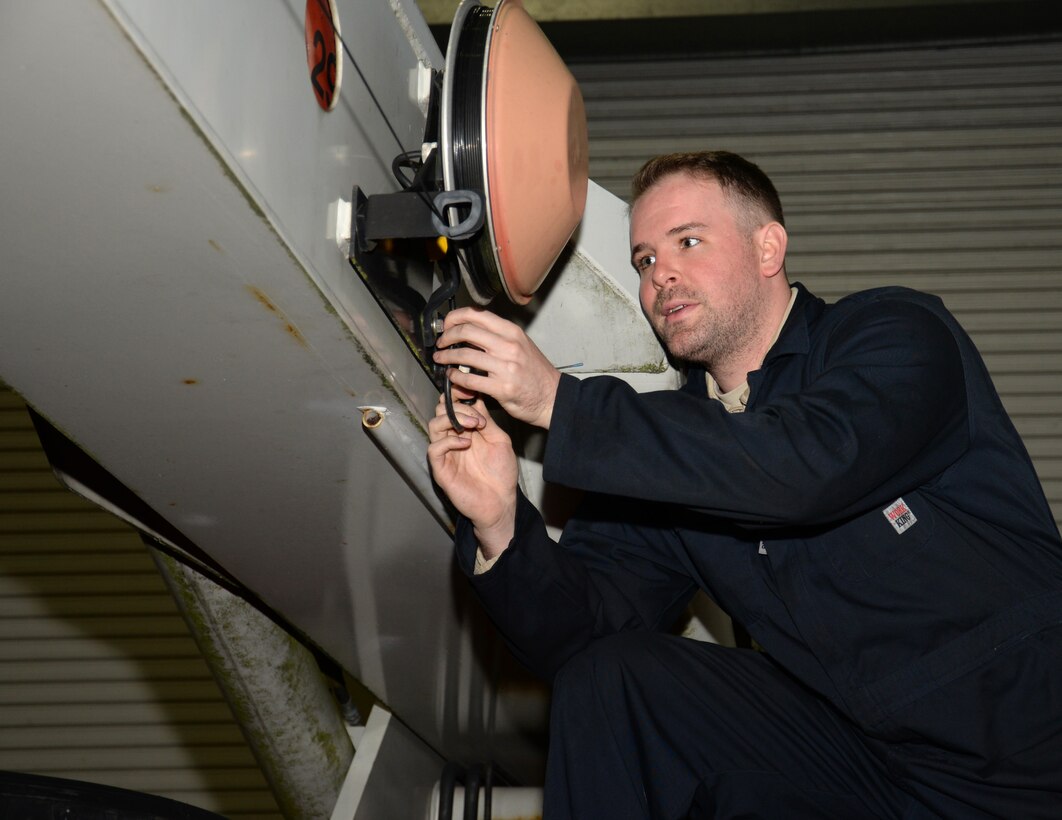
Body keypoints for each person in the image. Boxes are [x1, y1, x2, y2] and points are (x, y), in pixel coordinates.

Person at [426, 151, 1062, 819]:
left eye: (688, 241)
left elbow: (806, 466)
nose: (659, 273)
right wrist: (502, 524)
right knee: (610, 679)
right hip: (871, 771)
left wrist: (561, 402)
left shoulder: (893, 337)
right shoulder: (669, 451)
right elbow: (582, 641)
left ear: (768, 248)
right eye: (643, 260)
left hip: (1030, 756)